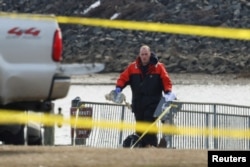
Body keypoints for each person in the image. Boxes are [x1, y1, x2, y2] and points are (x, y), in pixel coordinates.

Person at [115, 45, 174, 147]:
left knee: (149, 127)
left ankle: (152, 147)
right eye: (142, 54)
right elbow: (123, 78)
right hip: (138, 105)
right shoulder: (132, 67)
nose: (144, 57)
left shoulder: (159, 67)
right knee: (139, 129)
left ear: (150, 54)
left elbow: (166, 80)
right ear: (139, 55)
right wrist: (118, 88)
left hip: (153, 105)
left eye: (146, 54)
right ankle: (142, 149)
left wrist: (168, 92)